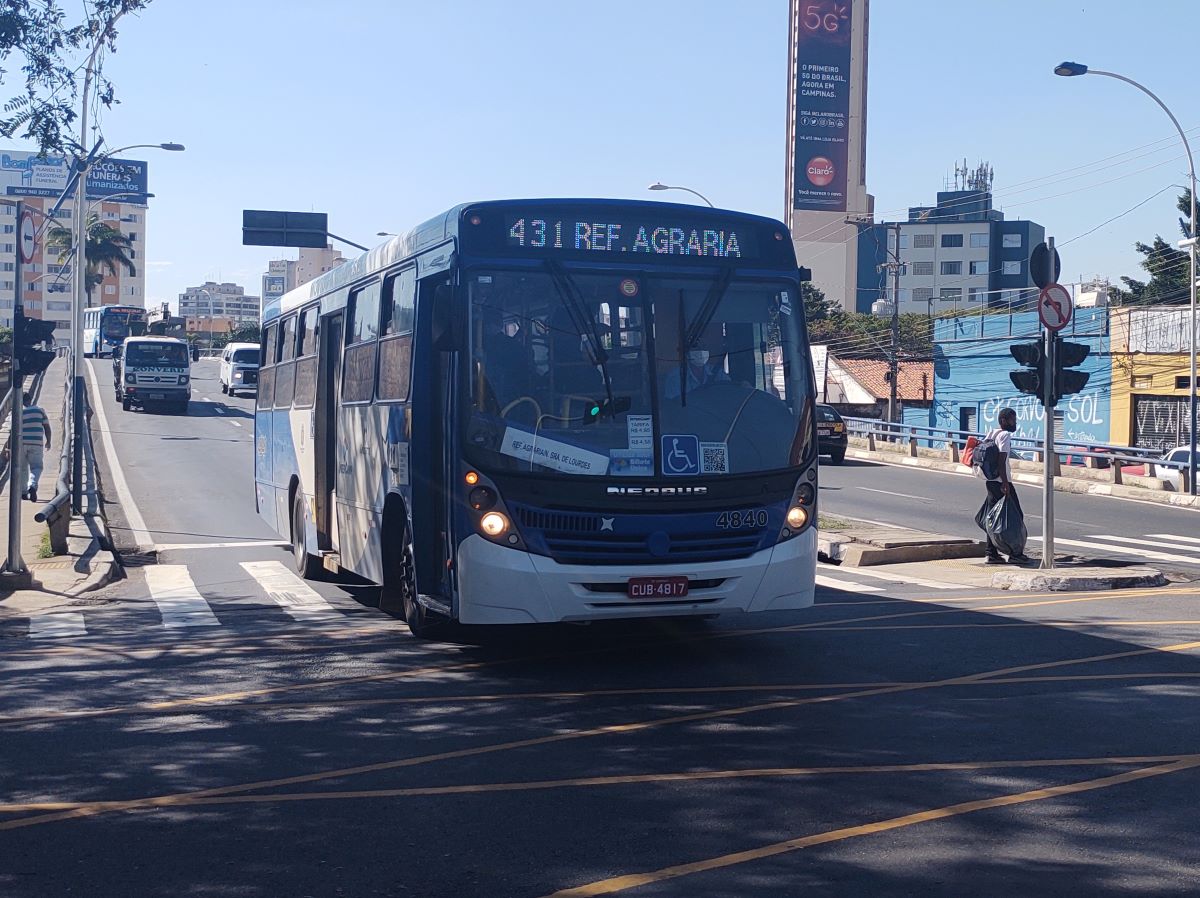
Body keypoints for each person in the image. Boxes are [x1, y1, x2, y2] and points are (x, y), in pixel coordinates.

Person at [982, 407, 1031, 565]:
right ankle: (1015, 554)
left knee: (993, 518)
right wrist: (1005, 483)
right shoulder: (1004, 435)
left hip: (990, 481)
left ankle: (991, 553)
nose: (1014, 423)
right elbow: (1001, 461)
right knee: (1016, 517)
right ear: (1003, 421)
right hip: (1000, 482)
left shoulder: (992, 433)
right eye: (1012, 420)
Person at [662, 332, 730, 400]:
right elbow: (673, 405)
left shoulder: (718, 373)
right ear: (687, 354)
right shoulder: (676, 378)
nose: (700, 352)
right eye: (696, 349)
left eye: (703, 348)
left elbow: (730, 392)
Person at [18, 391, 51, 504]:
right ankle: (32, 485)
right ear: (30, 399)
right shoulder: (40, 410)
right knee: (36, 467)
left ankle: (23, 492)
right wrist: (49, 441)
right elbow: (47, 427)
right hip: (36, 443)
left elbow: (13, 430)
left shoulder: (19, 412)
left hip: (21, 443)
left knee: (22, 468)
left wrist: (10, 448)